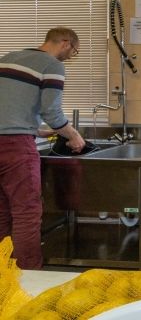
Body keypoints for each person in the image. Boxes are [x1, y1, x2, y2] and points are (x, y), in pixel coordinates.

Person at [0, 27, 85, 269]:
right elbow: (52, 112)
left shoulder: (7, 59)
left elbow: (8, 109)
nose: (70, 57)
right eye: (73, 52)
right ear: (65, 42)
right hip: (16, 149)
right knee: (26, 214)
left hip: (9, 139)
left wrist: (35, 129)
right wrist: (73, 135)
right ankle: (29, 279)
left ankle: (3, 278)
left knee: (2, 214)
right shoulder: (51, 65)